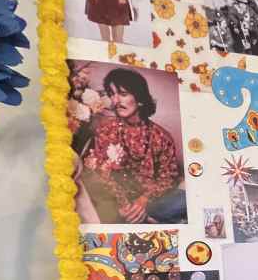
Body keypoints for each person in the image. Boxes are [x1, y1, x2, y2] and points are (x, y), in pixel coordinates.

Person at [72, 67, 187, 225]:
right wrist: (124, 207)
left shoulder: (161, 136)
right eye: (112, 94)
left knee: (183, 199)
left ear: (139, 98)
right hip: (116, 202)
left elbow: (168, 177)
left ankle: (148, 217)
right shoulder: (105, 130)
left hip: (152, 201)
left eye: (123, 94)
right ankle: (144, 218)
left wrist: (143, 201)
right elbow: (99, 173)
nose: (116, 101)